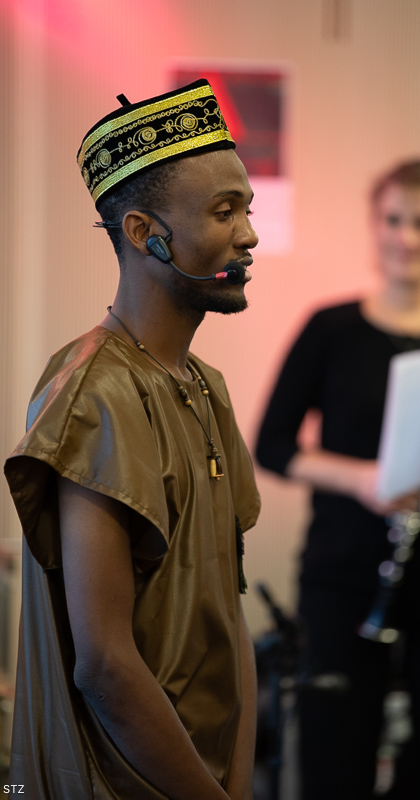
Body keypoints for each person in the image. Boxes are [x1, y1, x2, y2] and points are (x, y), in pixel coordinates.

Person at [4, 79, 261, 800]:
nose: (248, 235)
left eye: (248, 210)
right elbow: (106, 666)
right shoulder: (96, 391)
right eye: (224, 211)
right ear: (147, 233)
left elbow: (228, 614)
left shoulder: (206, 387)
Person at [255, 160, 420, 800]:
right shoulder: (331, 328)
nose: (405, 237)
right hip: (344, 579)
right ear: (374, 226)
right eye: (392, 220)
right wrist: (365, 479)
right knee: (335, 761)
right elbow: (272, 446)